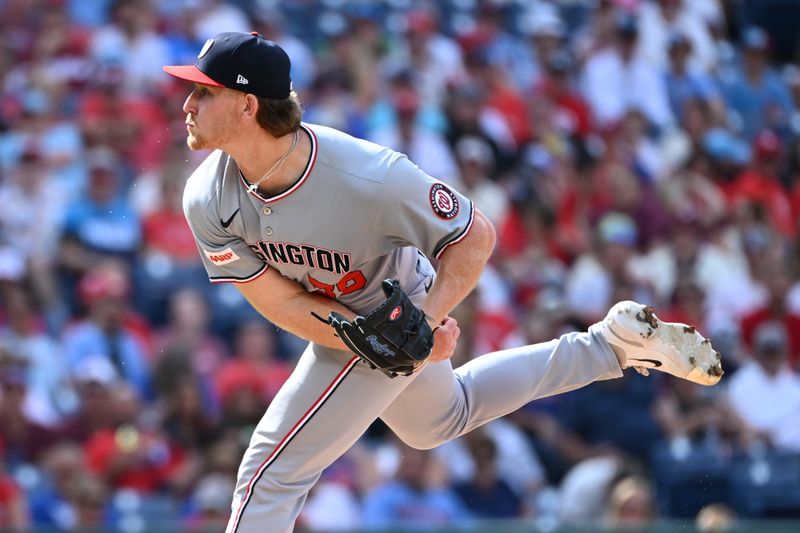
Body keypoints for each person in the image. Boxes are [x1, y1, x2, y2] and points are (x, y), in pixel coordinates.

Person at [162, 31, 724, 533]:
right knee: (440, 419)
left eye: (203, 92)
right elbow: (278, 300)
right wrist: (387, 337)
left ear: (247, 105)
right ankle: (608, 347)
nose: (187, 104)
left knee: (269, 474)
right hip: (354, 319)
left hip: (399, 297)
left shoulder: (369, 175)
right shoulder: (207, 196)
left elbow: (474, 235)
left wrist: (418, 320)